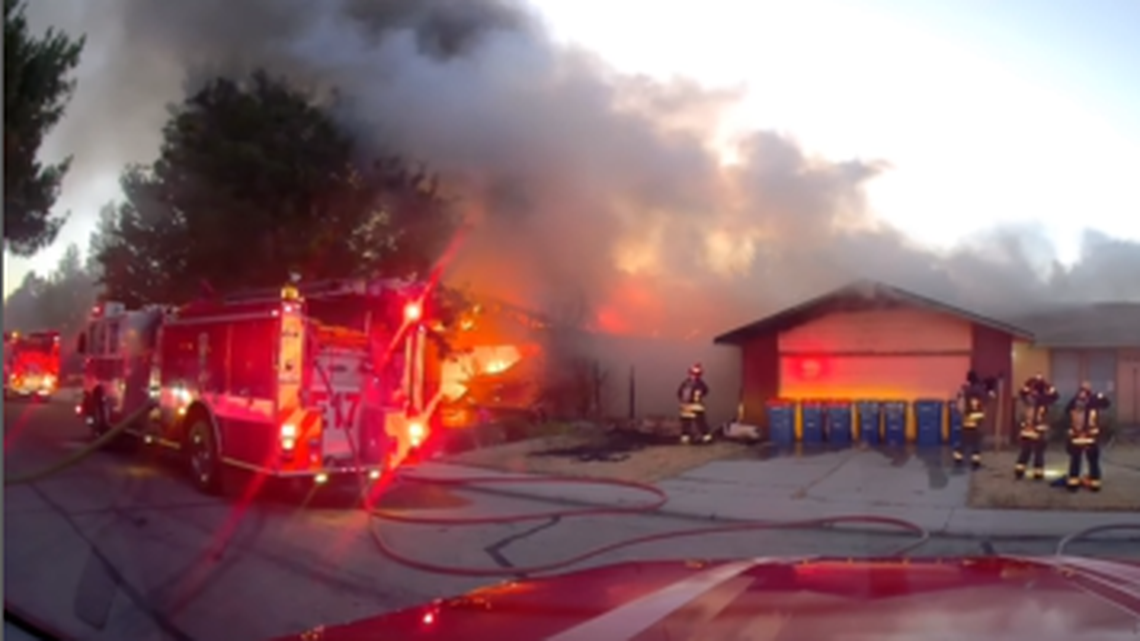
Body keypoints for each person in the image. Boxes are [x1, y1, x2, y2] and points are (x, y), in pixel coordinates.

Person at [1064, 382, 1109, 492]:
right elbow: (1106, 404)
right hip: (1090, 438)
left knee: (1075, 461)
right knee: (1093, 462)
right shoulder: (1094, 401)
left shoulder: (1073, 402)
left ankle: (1072, 485)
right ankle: (1095, 485)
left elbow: (1066, 411)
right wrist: (1100, 396)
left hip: (1076, 438)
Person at [1014, 374, 1059, 480]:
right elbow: (1055, 395)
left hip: (1027, 431)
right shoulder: (1045, 400)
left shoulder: (1027, 398)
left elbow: (1022, 391)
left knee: (1025, 452)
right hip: (1039, 432)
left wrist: (1031, 382)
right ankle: (1037, 474)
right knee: (1038, 453)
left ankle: (1019, 472)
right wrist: (1047, 385)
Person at [954, 370, 994, 469]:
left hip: (966, 420)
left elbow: (959, 402)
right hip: (977, 421)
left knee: (963, 441)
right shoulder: (980, 390)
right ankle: (975, 463)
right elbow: (987, 399)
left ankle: (958, 459)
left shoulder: (965, 389)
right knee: (976, 443)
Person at [677, 363, 711, 444]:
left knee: (700, 422)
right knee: (686, 423)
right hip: (687, 406)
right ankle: (685, 438)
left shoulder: (699, 383)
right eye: (692, 373)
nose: (694, 376)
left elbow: (705, 390)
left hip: (695, 406)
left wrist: (699, 395)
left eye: (696, 374)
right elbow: (679, 392)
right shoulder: (686, 383)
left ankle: (706, 438)